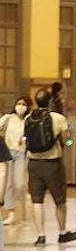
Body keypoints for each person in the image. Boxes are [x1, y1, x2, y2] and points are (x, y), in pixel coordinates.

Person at [26, 89, 76, 246]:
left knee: (37, 201)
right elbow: (67, 140)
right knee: (59, 199)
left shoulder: (29, 118)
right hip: (52, 163)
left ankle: (41, 236)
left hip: (33, 163)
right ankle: (62, 233)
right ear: (50, 101)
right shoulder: (58, 118)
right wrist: (68, 143)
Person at [0, 96, 29, 225]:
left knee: (20, 184)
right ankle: (11, 212)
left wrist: (23, 140)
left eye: (23, 104)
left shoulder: (28, 120)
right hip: (8, 152)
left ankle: (23, 208)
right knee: (8, 184)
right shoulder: (8, 118)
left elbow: (28, 135)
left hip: (21, 153)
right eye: (18, 103)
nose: (20, 106)